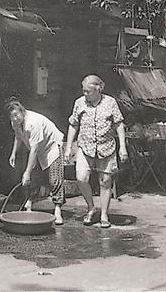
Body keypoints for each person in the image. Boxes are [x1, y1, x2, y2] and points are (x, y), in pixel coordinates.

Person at [65, 74, 128, 228]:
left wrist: (123, 148)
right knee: (81, 178)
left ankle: (104, 215)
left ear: (98, 89)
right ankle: (91, 207)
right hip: (85, 147)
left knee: (105, 181)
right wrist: (68, 147)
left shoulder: (110, 103)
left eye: (88, 91)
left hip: (106, 147)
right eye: (84, 91)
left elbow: (119, 124)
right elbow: (73, 124)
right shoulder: (79, 103)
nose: (85, 94)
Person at [6, 98, 66, 226]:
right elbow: (18, 137)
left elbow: (33, 150)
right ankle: (29, 202)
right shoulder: (15, 123)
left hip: (52, 146)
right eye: (12, 116)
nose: (15, 118)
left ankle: (57, 209)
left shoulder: (33, 122)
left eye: (16, 115)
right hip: (38, 149)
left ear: (22, 111)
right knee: (34, 177)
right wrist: (13, 153)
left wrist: (27, 172)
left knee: (54, 179)